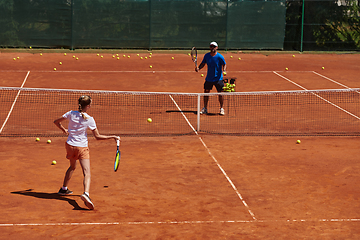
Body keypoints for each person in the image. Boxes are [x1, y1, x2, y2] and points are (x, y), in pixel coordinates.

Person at [54, 95, 120, 210]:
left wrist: (63, 129)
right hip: (82, 148)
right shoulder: (89, 119)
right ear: (88, 106)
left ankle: (64, 189)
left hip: (70, 146)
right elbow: (98, 137)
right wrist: (113, 137)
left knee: (72, 167)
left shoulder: (71, 113)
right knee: (87, 173)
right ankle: (86, 193)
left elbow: (56, 122)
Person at [195, 41, 227, 115]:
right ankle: (205, 108)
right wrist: (199, 68)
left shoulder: (220, 56)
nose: (212, 48)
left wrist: (224, 70)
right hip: (209, 78)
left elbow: (224, 64)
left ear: (217, 47)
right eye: (211, 46)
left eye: (214, 46)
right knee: (206, 93)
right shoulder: (207, 56)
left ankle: (221, 108)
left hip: (218, 79)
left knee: (220, 94)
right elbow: (203, 63)